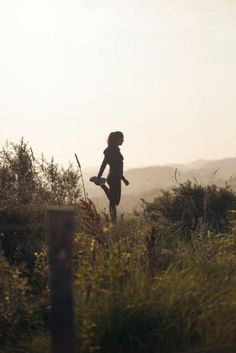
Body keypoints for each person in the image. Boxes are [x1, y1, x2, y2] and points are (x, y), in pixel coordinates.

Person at [90, 131, 129, 222]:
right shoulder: (110, 151)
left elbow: (117, 168)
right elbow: (104, 165)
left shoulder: (114, 150)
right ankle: (102, 185)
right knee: (115, 200)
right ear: (116, 139)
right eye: (121, 138)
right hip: (113, 178)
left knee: (114, 201)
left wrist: (123, 179)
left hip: (116, 177)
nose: (123, 140)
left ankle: (113, 221)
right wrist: (99, 177)